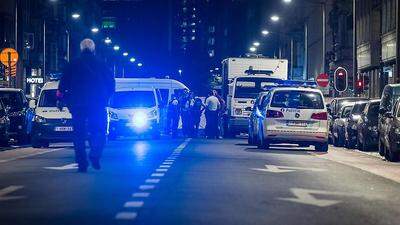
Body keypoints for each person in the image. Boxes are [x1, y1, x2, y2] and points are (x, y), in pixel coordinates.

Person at [58, 39, 115, 173]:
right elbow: (111, 84)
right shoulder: (101, 64)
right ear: (93, 49)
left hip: (77, 104)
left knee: (78, 134)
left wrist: (61, 100)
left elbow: (63, 84)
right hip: (97, 104)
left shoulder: (73, 64)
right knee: (99, 130)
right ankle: (95, 154)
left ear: (81, 48)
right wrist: (105, 98)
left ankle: (81, 163)